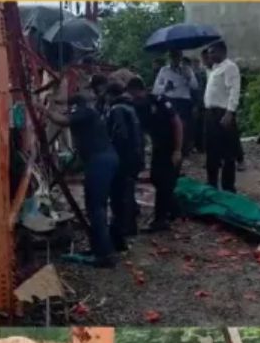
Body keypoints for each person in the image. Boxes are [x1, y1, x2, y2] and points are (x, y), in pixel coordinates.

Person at [44, 93, 122, 266]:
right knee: (95, 206)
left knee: (96, 207)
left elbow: (61, 121)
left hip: (100, 161)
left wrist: (42, 109)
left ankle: (104, 255)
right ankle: (100, 248)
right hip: (102, 160)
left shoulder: (85, 112)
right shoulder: (88, 115)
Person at [127, 78, 182, 233]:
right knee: (156, 179)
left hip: (171, 146)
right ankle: (175, 210)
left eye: (135, 95)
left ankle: (161, 220)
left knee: (165, 182)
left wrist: (177, 150)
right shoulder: (139, 106)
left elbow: (177, 123)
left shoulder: (159, 101)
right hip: (158, 146)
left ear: (139, 90)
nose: (134, 99)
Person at [104, 82, 145, 237]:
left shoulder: (117, 109)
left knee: (120, 194)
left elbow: (120, 134)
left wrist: (111, 152)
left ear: (109, 94)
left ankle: (122, 227)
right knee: (128, 191)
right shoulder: (130, 107)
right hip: (134, 156)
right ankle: (129, 226)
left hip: (124, 157)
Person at [202, 40, 241, 192]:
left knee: (227, 153)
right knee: (212, 151)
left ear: (222, 52)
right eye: (209, 53)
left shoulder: (230, 67)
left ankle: (228, 187)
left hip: (223, 113)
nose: (210, 55)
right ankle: (211, 183)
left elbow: (234, 90)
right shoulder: (214, 69)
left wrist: (230, 112)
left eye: (213, 52)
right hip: (210, 114)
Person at [153, 49, 198, 157]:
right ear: (170, 58)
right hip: (170, 101)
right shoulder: (164, 70)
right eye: (173, 56)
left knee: (184, 126)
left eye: (177, 56)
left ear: (181, 57)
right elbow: (155, 89)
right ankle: (171, 149)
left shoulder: (187, 69)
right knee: (170, 126)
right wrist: (165, 87)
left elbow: (195, 86)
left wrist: (189, 77)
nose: (175, 59)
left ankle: (183, 150)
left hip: (184, 101)